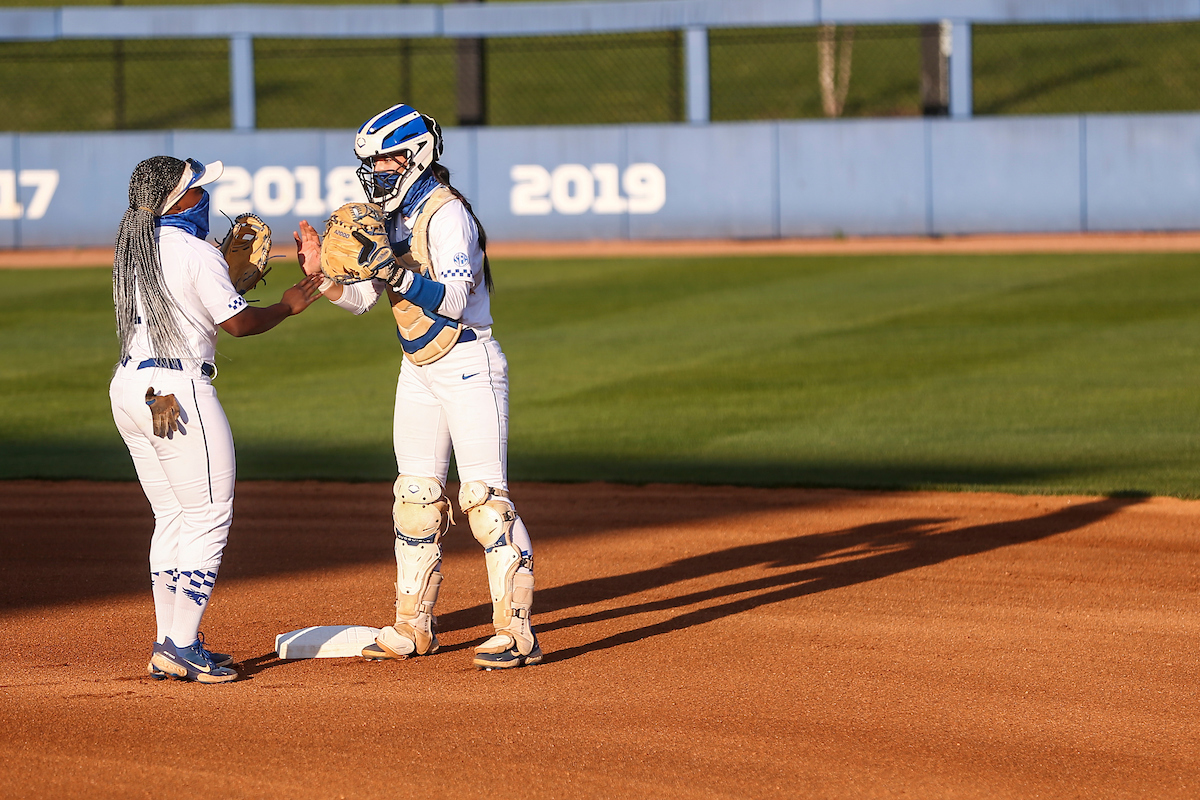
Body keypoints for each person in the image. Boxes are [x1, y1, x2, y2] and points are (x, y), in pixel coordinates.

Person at [294, 104, 542, 669]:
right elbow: (363, 300)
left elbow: (453, 298)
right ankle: (413, 626)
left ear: (416, 156)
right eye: (371, 162)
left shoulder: (446, 213)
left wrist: (391, 271)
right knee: (414, 501)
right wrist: (322, 276)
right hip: (419, 368)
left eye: (385, 160)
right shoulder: (390, 217)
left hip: (469, 362)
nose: (376, 171)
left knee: (485, 503)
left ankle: (517, 632)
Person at [110, 156, 323, 683]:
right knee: (208, 517)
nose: (204, 196)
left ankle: (169, 642)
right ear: (176, 200)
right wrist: (287, 305)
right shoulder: (195, 250)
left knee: (173, 517)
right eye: (196, 188)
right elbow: (239, 326)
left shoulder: (134, 248)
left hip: (133, 390)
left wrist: (226, 285)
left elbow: (184, 305)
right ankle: (182, 645)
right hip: (176, 394)